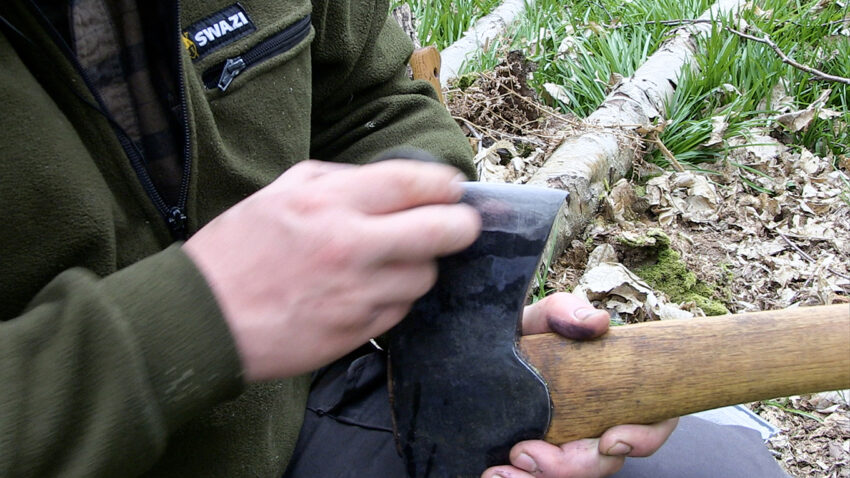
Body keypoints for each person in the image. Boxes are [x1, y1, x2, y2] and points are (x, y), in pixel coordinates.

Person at [0, 1, 787, 477]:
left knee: (713, 463)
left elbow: (375, 102)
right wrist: (190, 322)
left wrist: (451, 311)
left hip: (298, 422)